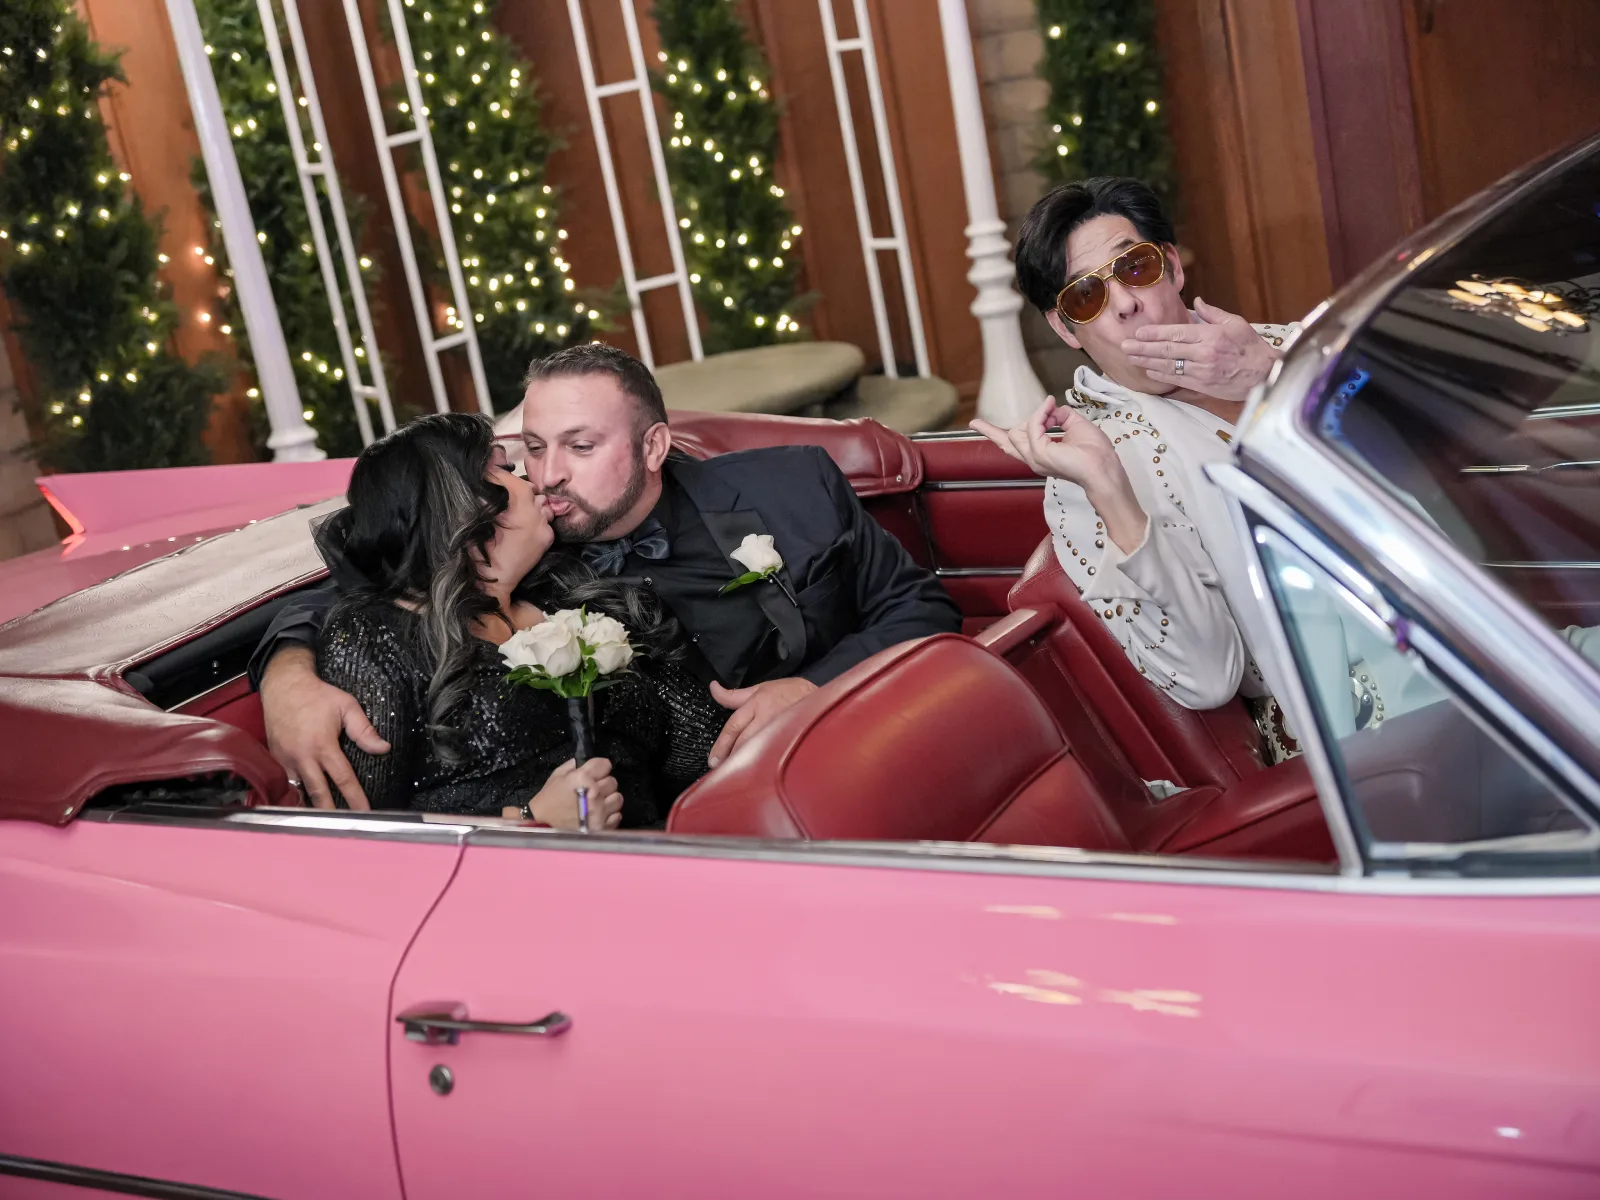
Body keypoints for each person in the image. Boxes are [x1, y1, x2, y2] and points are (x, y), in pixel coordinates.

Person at [258, 343, 963, 809]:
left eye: (581, 446)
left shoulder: (792, 485)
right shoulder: (527, 555)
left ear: (653, 446)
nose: (548, 474)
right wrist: (287, 674)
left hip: (866, 754)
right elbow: (378, 581)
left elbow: (922, 609)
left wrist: (811, 689)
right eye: (534, 448)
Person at [972, 176, 1304, 755]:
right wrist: (1110, 491)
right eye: (1086, 297)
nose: (1125, 303)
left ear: (1171, 266)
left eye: (1135, 267)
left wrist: (1274, 378)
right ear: (1065, 328)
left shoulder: (1284, 346)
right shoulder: (1089, 473)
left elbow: (1435, 430)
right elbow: (1208, 677)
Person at [309, 412, 721, 826]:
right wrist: (526, 819)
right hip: (509, 865)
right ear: (465, 501)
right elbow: (353, 832)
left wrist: (756, 716)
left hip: (667, 843)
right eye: (506, 469)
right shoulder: (374, 638)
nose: (533, 483)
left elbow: (699, 742)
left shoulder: (566, 592)